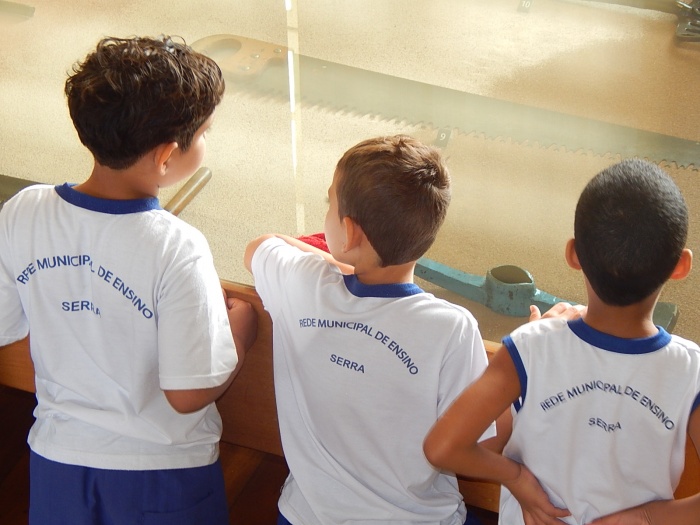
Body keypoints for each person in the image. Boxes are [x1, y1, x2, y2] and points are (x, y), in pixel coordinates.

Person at [0, 35, 257, 524]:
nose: (207, 142)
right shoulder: (177, 245)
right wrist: (239, 337)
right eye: (205, 133)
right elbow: (187, 394)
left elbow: (5, 323)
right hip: (159, 477)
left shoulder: (23, 210)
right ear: (166, 156)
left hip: (57, 464)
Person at [423, 158, 700, 525]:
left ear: (573, 255)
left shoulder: (529, 347)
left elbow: (442, 448)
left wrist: (516, 477)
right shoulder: (690, 370)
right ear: (681, 266)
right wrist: (647, 517)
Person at [244, 134, 503, 525]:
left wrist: (338, 266)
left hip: (305, 516)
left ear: (349, 233)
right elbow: (486, 443)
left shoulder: (303, 282)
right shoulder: (451, 328)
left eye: (329, 203)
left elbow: (260, 246)